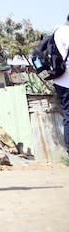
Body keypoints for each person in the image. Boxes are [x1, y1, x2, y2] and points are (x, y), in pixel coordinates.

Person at [53, 14, 69, 155]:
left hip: (59, 80)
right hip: (67, 81)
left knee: (67, 115)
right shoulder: (66, 32)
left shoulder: (57, 31)